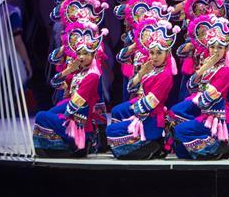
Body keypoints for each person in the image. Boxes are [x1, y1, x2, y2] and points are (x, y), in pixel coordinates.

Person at [107, 19, 179, 159]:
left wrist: (133, 111)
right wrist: (141, 73)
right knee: (116, 111)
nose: (154, 56)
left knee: (111, 130)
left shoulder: (166, 75)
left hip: (150, 116)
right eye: (151, 52)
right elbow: (130, 88)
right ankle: (135, 143)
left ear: (167, 53)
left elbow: (150, 102)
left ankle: (151, 143)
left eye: (159, 53)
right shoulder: (150, 68)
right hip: (142, 108)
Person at [33, 21, 106, 157]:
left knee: (41, 116)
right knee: (46, 116)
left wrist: (63, 118)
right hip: (71, 111)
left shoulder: (93, 75)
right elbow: (54, 83)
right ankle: (59, 147)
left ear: (93, 55)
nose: (81, 57)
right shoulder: (78, 72)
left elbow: (76, 102)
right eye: (79, 53)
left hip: (79, 122)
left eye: (86, 53)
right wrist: (68, 71)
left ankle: (77, 145)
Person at [170, 15, 229, 159]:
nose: (215, 51)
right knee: (175, 118)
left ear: (226, 49)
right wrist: (202, 70)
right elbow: (190, 87)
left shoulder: (224, 70)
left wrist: (198, 96)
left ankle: (216, 147)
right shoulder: (208, 67)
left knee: (180, 130)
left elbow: (206, 100)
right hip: (204, 111)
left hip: (214, 116)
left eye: (220, 47)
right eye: (212, 47)